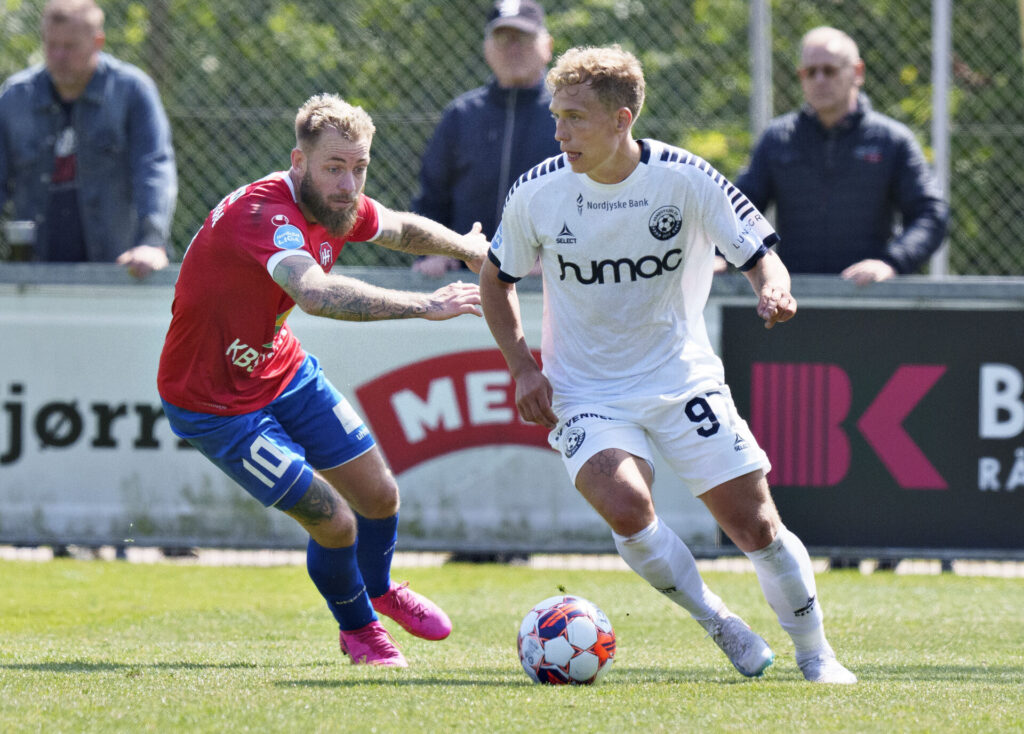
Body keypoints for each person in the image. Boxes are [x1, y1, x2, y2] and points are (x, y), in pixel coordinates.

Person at [480, 44, 857, 684]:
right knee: (626, 504)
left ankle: (817, 653)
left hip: (682, 379)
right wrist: (522, 366)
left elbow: (760, 249)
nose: (560, 132)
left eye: (575, 117)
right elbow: (496, 280)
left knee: (756, 526)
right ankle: (722, 624)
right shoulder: (537, 192)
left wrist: (774, 286)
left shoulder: (684, 178)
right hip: (583, 390)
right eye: (556, 116)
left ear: (623, 118)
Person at [157, 93, 488, 667]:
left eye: (359, 168)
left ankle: (380, 586)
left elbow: (401, 229)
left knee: (380, 495)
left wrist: (468, 249)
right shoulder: (268, 215)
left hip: (280, 368)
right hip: (214, 405)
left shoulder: (336, 203)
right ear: (298, 160)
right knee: (334, 520)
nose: (348, 183)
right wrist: (423, 306)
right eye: (335, 167)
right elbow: (316, 293)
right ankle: (359, 629)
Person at [729, 26, 947, 285]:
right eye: (810, 72)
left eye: (830, 70)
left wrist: (892, 262)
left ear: (857, 72)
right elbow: (738, 211)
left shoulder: (891, 140)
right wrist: (720, 255)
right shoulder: (778, 139)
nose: (820, 79)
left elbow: (931, 215)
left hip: (869, 299)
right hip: (793, 299)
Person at [0, 0, 176, 278]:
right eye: (51, 45)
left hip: (118, 268)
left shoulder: (132, 91)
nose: (58, 55)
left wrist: (151, 243)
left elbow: (154, 169)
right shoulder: (14, 98)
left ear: (98, 41)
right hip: (33, 272)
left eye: (69, 47)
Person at [411, 0, 559, 277]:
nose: (513, 48)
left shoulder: (568, 114)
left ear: (547, 46)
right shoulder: (461, 115)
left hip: (548, 284)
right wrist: (431, 251)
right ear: (486, 48)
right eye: (502, 37)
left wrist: (559, 261)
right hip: (465, 281)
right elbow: (432, 198)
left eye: (523, 37)